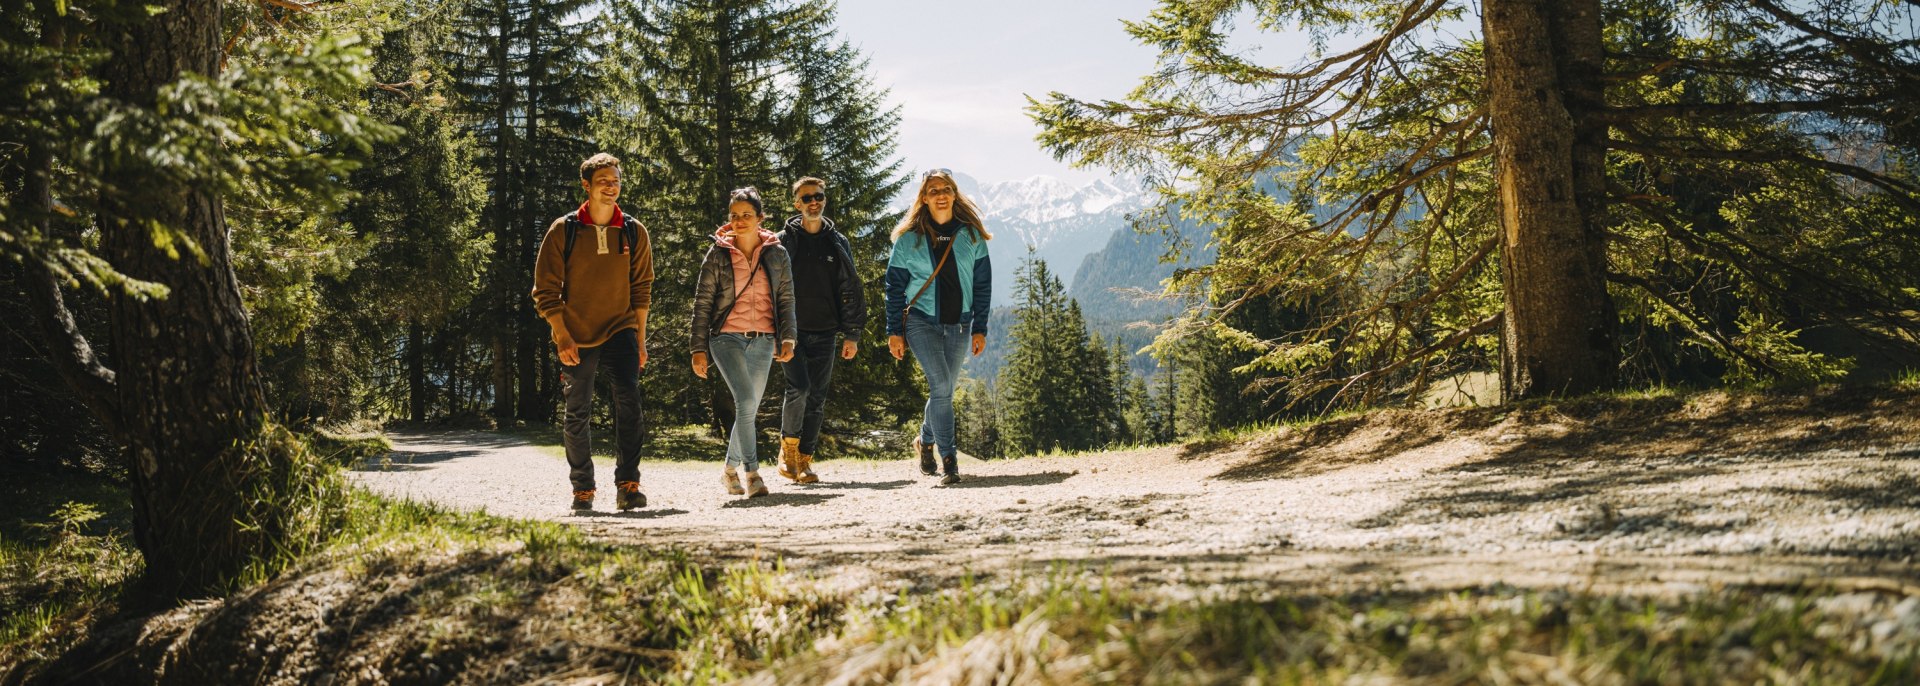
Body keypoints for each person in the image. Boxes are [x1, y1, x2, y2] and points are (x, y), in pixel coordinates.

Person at [531, 153, 654, 512]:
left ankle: (628, 486)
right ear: (586, 185)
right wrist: (561, 334)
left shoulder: (633, 230)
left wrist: (641, 340)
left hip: (622, 329)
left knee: (629, 403)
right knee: (577, 410)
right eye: (603, 180)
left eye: (615, 180)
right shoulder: (564, 229)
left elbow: (642, 288)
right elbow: (545, 290)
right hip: (577, 333)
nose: (610, 186)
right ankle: (582, 488)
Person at [885, 168, 991, 485]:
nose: (941, 194)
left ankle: (925, 441)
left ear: (954, 195)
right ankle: (950, 462)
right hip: (920, 323)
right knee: (942, 387)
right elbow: (894, 289)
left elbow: (983, 285)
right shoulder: (909, 240)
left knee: (942, 390)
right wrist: (894, 331)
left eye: (946, 189)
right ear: (924, 198)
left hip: (960, 324)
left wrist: (980, 327)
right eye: (933, 190)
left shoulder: (971, 235)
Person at [692, 186, 798, 498]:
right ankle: (752, 473)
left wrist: (788, 337)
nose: (740, 221)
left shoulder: (777, 254)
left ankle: (728, 471)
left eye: (747, 215)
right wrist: (697, 348)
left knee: (748, 409)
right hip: (726, 338)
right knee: (746, 401)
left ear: (760, 218)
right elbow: (702, 303)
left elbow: (786, 299)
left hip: (764, 340)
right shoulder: (718, 253)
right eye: (735, 216)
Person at [773, 176, 867, 484]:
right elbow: (768, 289)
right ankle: (787, 450)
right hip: (791, 332)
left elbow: (850, 288)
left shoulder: (837, 242)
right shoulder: (782, 242)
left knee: (817, 398)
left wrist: (852, 333)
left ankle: (805, 460)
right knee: (798, 387)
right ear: (796, 203)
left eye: (819, 197)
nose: (814, 202)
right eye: (808, 197)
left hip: (826, 332)